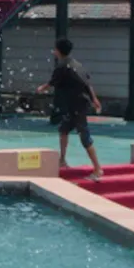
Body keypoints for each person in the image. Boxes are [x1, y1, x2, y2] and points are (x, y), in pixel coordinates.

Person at [36, 38, 103, 180]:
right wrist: (94, 99)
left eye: (55, 49)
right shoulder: (78, 65)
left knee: (84, 136)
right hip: (77, 104)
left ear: (58, 51)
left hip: (77, 105)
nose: (53, 51)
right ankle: (62, 160)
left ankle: (98, 169)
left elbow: (52, 82)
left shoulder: (62, 67)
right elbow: (88, 84)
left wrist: (42, 88)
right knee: (63, 130)